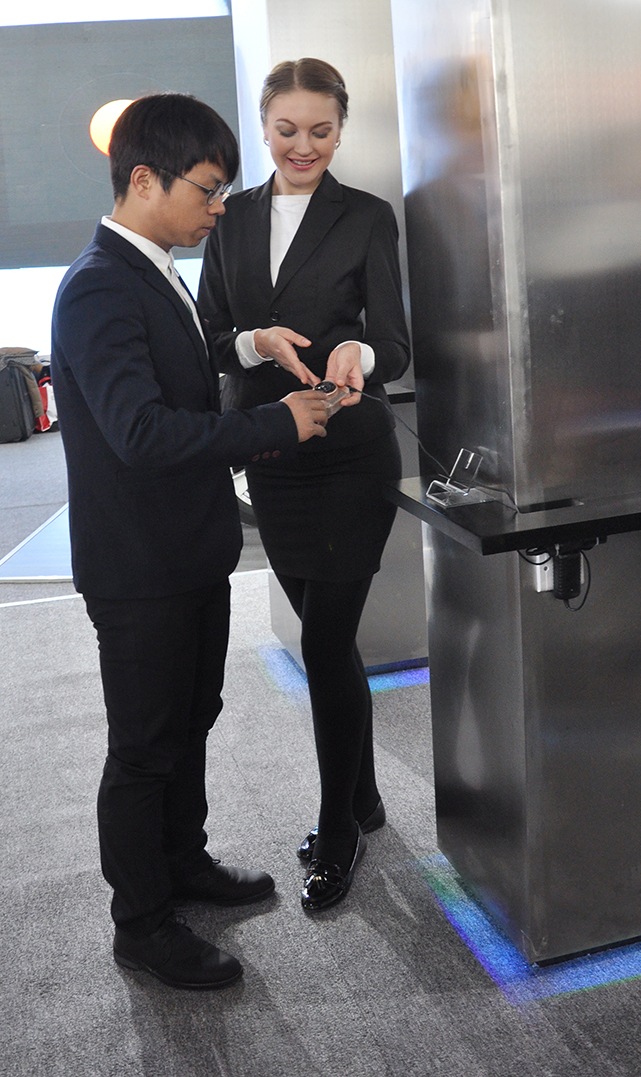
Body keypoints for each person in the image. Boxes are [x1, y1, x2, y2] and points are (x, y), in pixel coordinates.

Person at [51, 93, 329, 990]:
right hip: (139, 567)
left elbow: (184, 364)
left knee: (191, 720)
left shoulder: (151, 268)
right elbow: (140, 431)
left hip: (189, 551)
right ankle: (141, 922)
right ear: (145, 180)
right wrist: (277, 423)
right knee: (144, 746)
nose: (219, 208)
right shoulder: (99, 284)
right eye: (208, 190)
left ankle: (182, 861)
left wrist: (248, 346)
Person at [198, 59, 411, 911]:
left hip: (353, 457)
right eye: (287, 129)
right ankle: (366, 795)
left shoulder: (367, 216)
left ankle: (338, 827)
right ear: (263, 125)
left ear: (340, 129)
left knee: (324, 645)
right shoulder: (232, 218)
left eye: (321, 130)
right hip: (276, 459)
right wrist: (255, 342)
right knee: (331, 642)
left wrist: (359, 350)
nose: (303, 146)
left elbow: (394, 342)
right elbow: (211, 333)